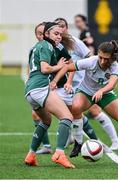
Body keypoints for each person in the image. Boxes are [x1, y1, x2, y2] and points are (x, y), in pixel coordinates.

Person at [50, 40, 118, 166]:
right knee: (76, 107)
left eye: (106, 59)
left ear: (112, 58)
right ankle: (78, 143)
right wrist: (55, 81)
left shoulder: (115, 66)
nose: (103, 61)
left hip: (105, 93)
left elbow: (111, 84)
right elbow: (67, 67)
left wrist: (101, 91)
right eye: (101, 57)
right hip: (86, 91)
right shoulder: (91, 61)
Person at [54, 18, 118, 156]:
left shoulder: (75, 42)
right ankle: (74, 138)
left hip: (82, 83)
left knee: (94, 111)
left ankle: (114, 141)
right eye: (57, 27)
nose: (60, 30)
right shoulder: (56, 44)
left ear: (66, 28)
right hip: (67, 85)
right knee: (71, 112)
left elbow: (91, 56)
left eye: (62, 26)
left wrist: (98, 76)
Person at [24, 22, 75, 168]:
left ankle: (31, 155)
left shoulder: (35, 47)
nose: (59, 37)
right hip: (40, 88)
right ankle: (59, 154)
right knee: (67, 117)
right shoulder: (46, 45)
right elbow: (45, 68)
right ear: (47, 35)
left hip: (30, 90)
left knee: (46, 121)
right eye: (56, 34)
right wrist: (59, 65)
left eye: (60, 34)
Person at [31, 22, 53, 154]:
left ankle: (94, 141)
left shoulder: (52, 46)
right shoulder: (36, 48)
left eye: (43, 33)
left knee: (72, 113)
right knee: (37, 116)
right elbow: (32, 67)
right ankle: (46, 146)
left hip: (56, 85)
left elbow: (66, 64)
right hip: (41, 86)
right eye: (38, 34)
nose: (41, 36)